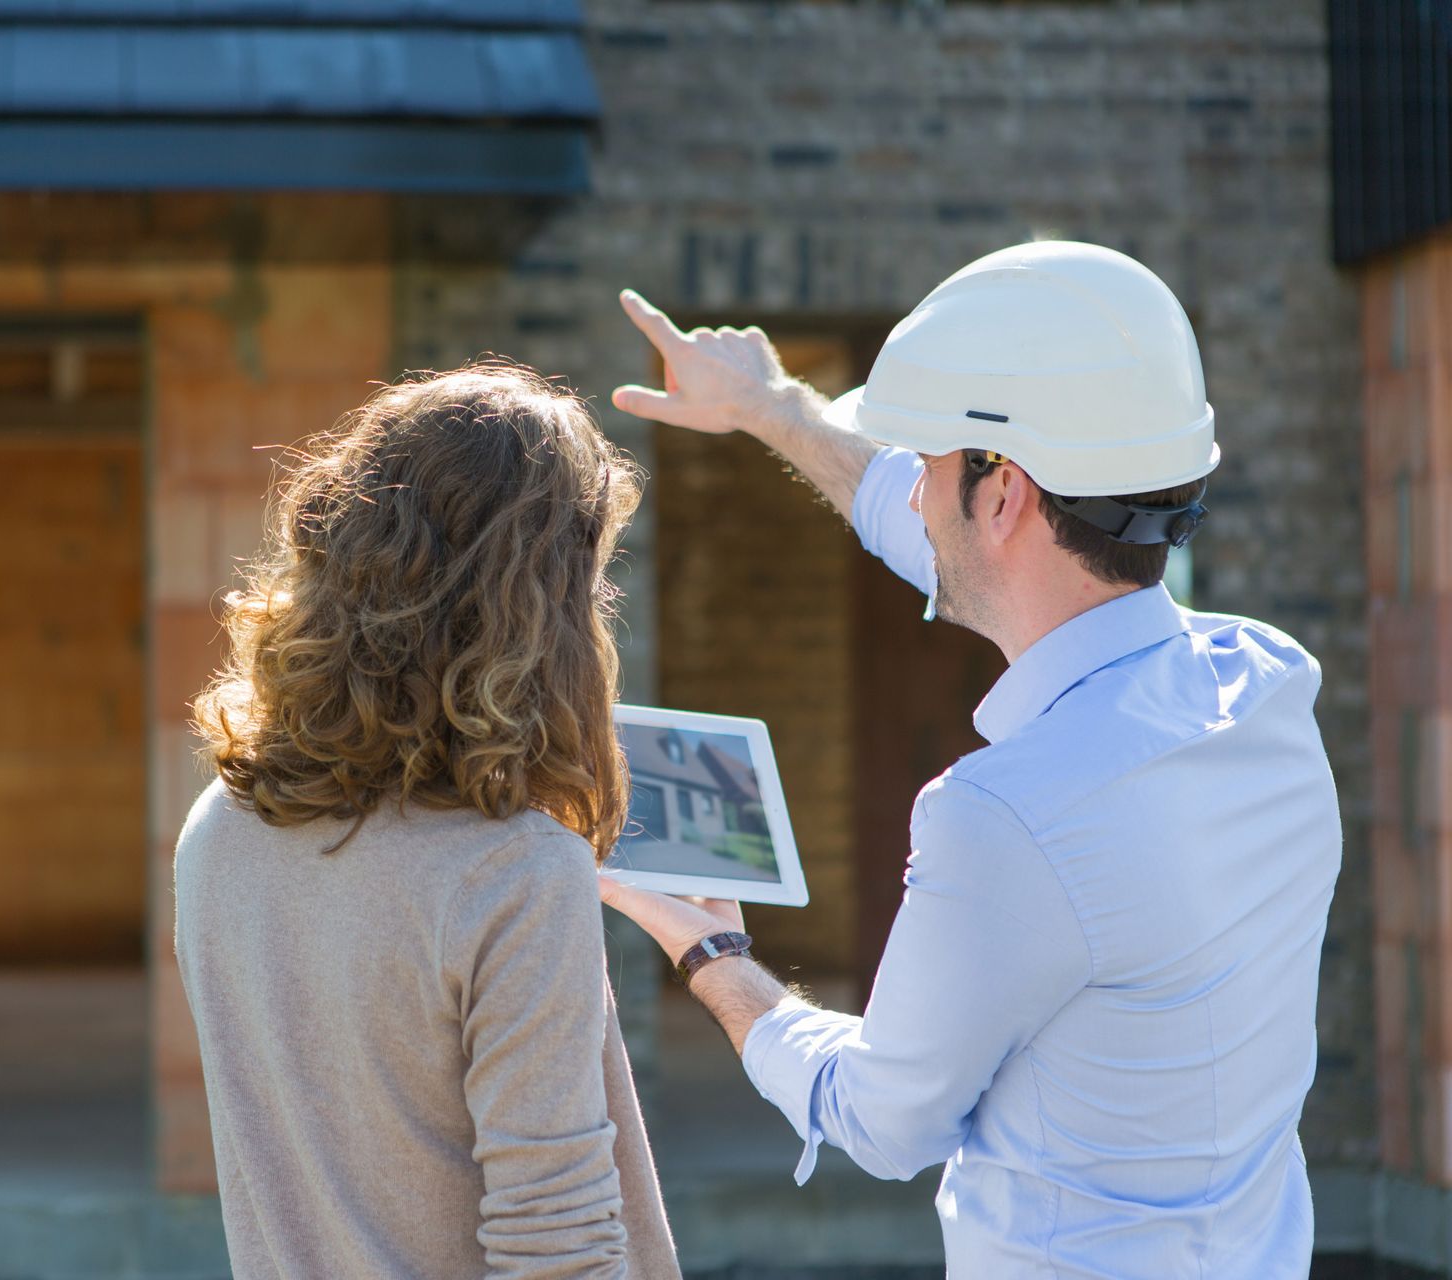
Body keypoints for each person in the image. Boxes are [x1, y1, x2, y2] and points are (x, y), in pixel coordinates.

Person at [601, 241, 1342, 1278]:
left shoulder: (1008, 813)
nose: (910, 492)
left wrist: (712, 954)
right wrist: (773, 407)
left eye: (933, 464)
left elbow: (877, 1116)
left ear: (1006, 498)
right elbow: (940, 534)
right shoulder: (1266, 685)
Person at [173, 363, 683, 1279]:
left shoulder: (218, 830)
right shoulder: (515, 874)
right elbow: (558, 1251)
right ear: (540, 610)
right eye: (591, 580)